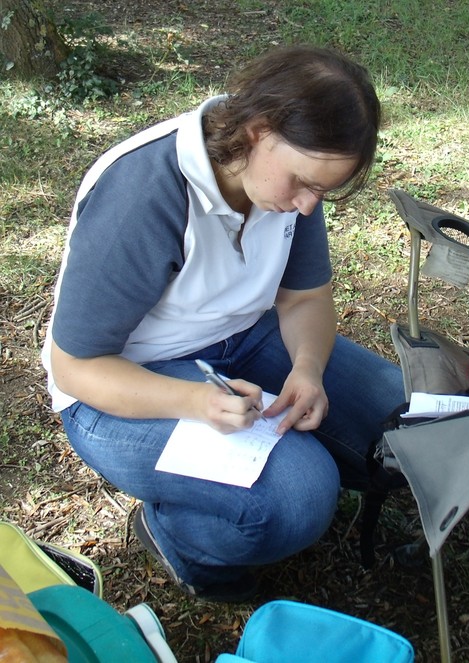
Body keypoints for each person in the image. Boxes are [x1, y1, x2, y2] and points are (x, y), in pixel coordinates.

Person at [40, 45, 405, 602]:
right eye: (303, 183)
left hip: (241, 337)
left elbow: (306, 298)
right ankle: (183, 541)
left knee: (401, 426)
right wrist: (196, 402)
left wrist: (308, 368)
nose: (308, 207)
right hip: (118, 386)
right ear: (257, 131)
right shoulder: (147, 192)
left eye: (324, 192)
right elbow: (75, 368)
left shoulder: (286, 178)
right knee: (299, 495)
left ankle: (251, 481)